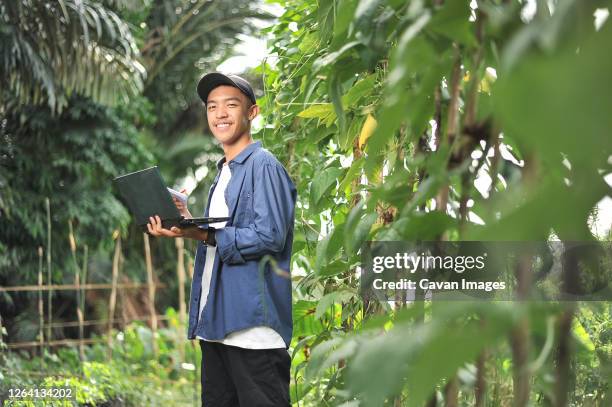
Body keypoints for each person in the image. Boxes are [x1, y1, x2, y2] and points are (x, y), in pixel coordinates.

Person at [147, 72, 296, 407]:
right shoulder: (224, 174)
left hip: (252, 332)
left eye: (231, 105)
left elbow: (269, 236)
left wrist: (199, 232)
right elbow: (219, 238)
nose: (220, 114)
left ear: (252, 112)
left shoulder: (263, 165)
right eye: (212, 107)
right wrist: (184, 221)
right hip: (216, 328)